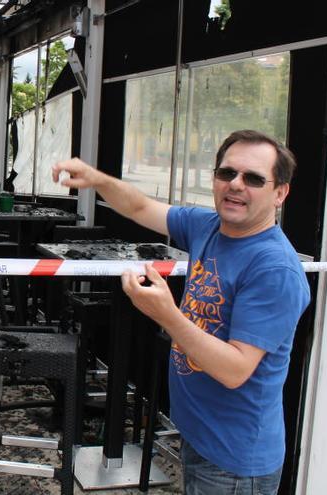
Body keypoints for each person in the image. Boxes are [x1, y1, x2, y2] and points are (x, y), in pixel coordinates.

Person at [52, 130, 310, 494]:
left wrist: (167, 314)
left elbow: (235, 369)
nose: (236, 185)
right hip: (200, 437)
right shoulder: (209, 227)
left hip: (234, 462)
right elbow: (140, 207)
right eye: (227, 173)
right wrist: (96, 179)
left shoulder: (274, 269)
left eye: (253, 178)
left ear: (280, 193)